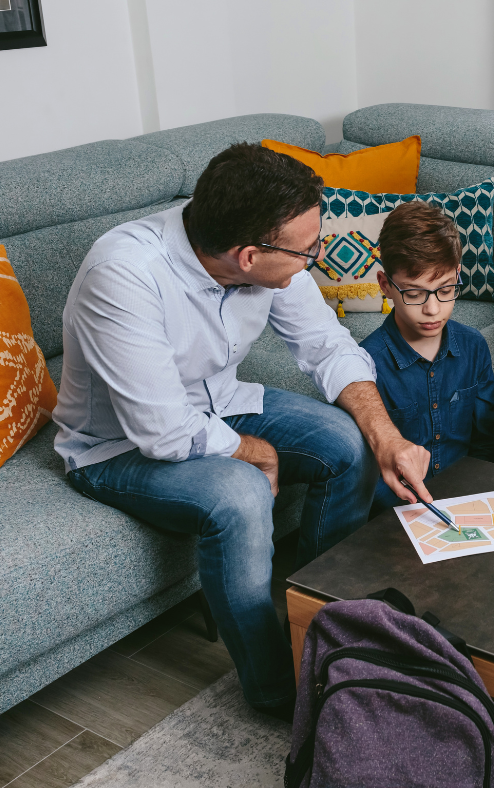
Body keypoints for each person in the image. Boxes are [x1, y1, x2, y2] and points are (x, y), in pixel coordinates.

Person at [52, 143, 431, 720]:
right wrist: (252, 451)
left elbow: (327, 346)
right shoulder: (125, 274)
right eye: (309, 249)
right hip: (117, 448)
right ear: (250, 257)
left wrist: (387, 437)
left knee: (347, 443)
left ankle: (324, 631)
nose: (317, 257)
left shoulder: (261, 249)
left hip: (220, 405)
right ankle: (278, 692)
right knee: (242, 493)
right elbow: (162, 431)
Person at [362, 202, 494, 511]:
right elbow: (368, 473)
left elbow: (486, 444)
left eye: (445, 290)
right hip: (398, 510)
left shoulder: (474, 346)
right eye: (414, 294)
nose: (433, 309)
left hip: (468, 500)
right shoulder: (366, 363)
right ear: (385, 285)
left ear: (457, 275)